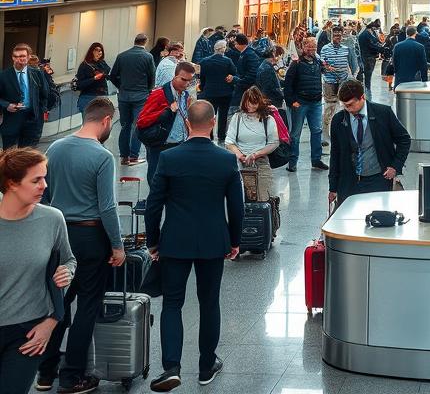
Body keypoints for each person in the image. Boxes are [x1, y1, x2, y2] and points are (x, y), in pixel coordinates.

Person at [145, 101, 243, 392]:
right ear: (213, 122)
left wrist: (152, 242)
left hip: (174, 241)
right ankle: (205, 366)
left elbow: (153, 205)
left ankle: (171, 367)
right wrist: (235, 240)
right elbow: (236, 207)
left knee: (172, 304)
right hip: (214, 242)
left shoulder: (169, 158)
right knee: (209, 302)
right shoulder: (225, 160)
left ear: (187, 124)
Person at [37, 99, 124, 394]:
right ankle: (72, 376)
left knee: (57, 304)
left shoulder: (55, 149)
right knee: (87, 305)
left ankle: (45, 373)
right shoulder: (102, 156)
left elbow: (44, 198)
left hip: (57, 236)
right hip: (90, 238)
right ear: (106, 121)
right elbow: (108, 207)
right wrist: (117, 245)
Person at [0, 148, 75, 394]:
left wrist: (51, 322)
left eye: (44, 177)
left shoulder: (52, 219)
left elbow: (69, 260)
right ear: (11, 183)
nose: (44, 185)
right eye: (36, 180)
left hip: (28, 332)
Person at [327, 79, 411, 207]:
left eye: (350, 105)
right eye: (345, 105)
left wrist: (395, 166)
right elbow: (335, 154)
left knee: (377, 219)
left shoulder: (383, 113)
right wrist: (333, 187)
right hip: (349, 182)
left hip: (378, 179)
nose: (348, 109)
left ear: (362, 97)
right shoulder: (338, 120)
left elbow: (404, 139)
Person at [136, 61, 196, 189]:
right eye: (183, 80)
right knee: (156, 180)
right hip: (160, 144)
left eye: (189, 81)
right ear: (174, 77)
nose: (186, 84)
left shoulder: (184, 94)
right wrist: (167, 112)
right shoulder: (159, 93)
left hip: (179, 143)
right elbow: (142, 121)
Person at [224, 87, 278, 204]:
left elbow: (274, 143)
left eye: (254, 103)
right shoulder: (237, 118)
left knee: (264, 199)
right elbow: (229, 141)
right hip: (239, 164)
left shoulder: (268, 119)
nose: (250, 107)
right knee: (240, 201)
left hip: (261, 163)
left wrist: (255, 155)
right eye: (248, 103)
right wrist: (240, 155)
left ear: (260, 103)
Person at [0, 44, 59, 151]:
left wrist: (41, 112)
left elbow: (44, 94)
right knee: (9, 157)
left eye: (22, 56)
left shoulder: (37, 74)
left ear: (28, 57)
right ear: (13, 58)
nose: (19, 59)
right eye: (16, 56)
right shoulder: (4, 76)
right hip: (12, 120)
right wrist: (7, 105)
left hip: (32, 121)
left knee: (28, 156)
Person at [109, 34, 156, 166]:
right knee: (138, 125)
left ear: (134, 41)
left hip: (124, 95)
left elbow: (113, 75)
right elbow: (152, 76)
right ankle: (134, 156)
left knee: (125, 126)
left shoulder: (122, 56)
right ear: (145, 42)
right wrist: (148, 90)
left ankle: (124, 157)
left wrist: (121, 86)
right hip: (141, 96)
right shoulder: (148, 56)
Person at [283, 37, 328, 173]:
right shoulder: (296, 64)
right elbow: (288, 85)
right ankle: (292, 162)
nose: (312, 50)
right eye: (309, 47)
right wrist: (292, 101)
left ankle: (316, 159)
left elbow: (322, 73)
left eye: (314, 48)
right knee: (295, 134)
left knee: (317, 131)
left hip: (315, 102)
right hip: (300, 103)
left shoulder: (317, 62)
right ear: (303, 47)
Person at [320, 26, 359, 139]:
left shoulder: (346, 49)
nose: (337, 37)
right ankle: (326, 133)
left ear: (342, 36)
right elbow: (322, 64)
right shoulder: (325, 49)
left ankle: (341, 130)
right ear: (331, 35)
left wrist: (352, 79)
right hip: (329, 81)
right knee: (329, 107)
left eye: (339, 35)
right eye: (335, 35)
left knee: (344, 105)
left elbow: (354, 65)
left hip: (343, 81)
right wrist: (327, 68)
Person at [197, 39, 235, 143]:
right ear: (223, 49)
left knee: (210, 115)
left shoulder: (205, 61)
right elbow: (233, 74)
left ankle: (209, 135)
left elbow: (202, 77)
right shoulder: (228, 61)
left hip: (209, 92)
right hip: (225, 92)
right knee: (223, 115)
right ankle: (221, 136)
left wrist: (203, 87)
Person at [73, 44, 110, 117]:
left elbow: (107, 71)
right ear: (91, 52)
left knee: (100, 124)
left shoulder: (102, 63)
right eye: (96, 50)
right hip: (88, 97)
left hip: (102, 97)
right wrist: (94, 78)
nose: (99, 52)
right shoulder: (85, 65)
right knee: (88, 124)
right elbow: (80, 84)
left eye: (100, 50)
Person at [228, 34, 261, 114]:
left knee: (234, 113)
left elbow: (251, 75)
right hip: (242, 88)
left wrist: (236, 80)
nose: (234, 45)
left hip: (245, 90)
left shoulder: (249, 54)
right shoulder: (245, 53)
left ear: (239, 44)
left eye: (235, 43)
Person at [358, 20, 386, 88]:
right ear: (372, 27)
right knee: (368, 74)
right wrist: (381, 49)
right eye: (376, 28)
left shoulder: (370, 33)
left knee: (369, 74)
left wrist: (380, 45)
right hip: (367, 56)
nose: (376, 30)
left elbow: (375, 41)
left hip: (370, 56)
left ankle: (367, 88)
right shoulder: (366, 34)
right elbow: (371, 45)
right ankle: (367, 89)